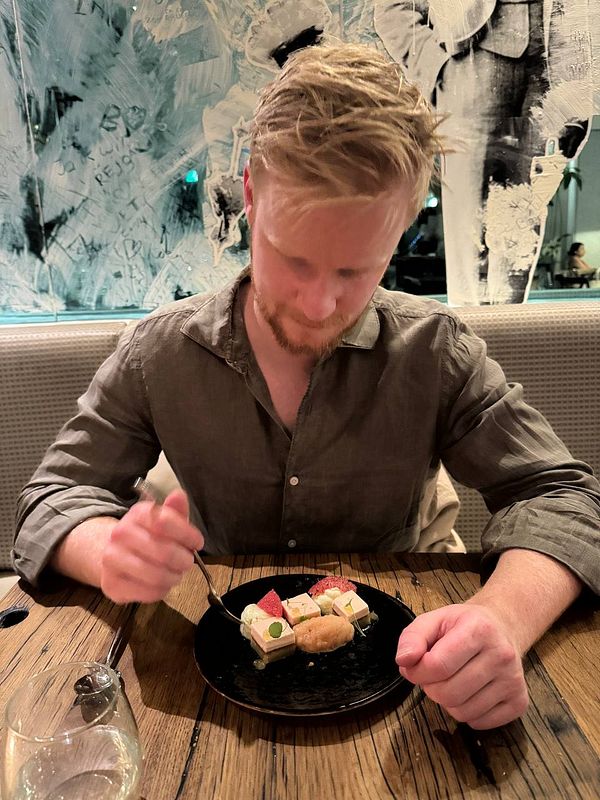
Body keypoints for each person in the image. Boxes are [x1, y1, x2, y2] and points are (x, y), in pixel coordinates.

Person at [13, 43, 600, 731]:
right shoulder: (160, 353)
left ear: (403, 225)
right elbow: (51, 498)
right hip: (212, 685)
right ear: (253, 196)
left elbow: (562, 497)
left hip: (406, 687)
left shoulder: (436, 352)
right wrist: (108, 552)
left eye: (356, 271)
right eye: (293, 259)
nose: (320, 305)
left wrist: (501, 618)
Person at [374, 0, 595, 305]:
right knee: (469, 223)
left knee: (522, 221)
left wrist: (576, 98)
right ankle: (468, 340)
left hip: (545, 76)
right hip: (469, 67)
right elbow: (392, 8)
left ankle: (509, 337)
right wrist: (436, 69)